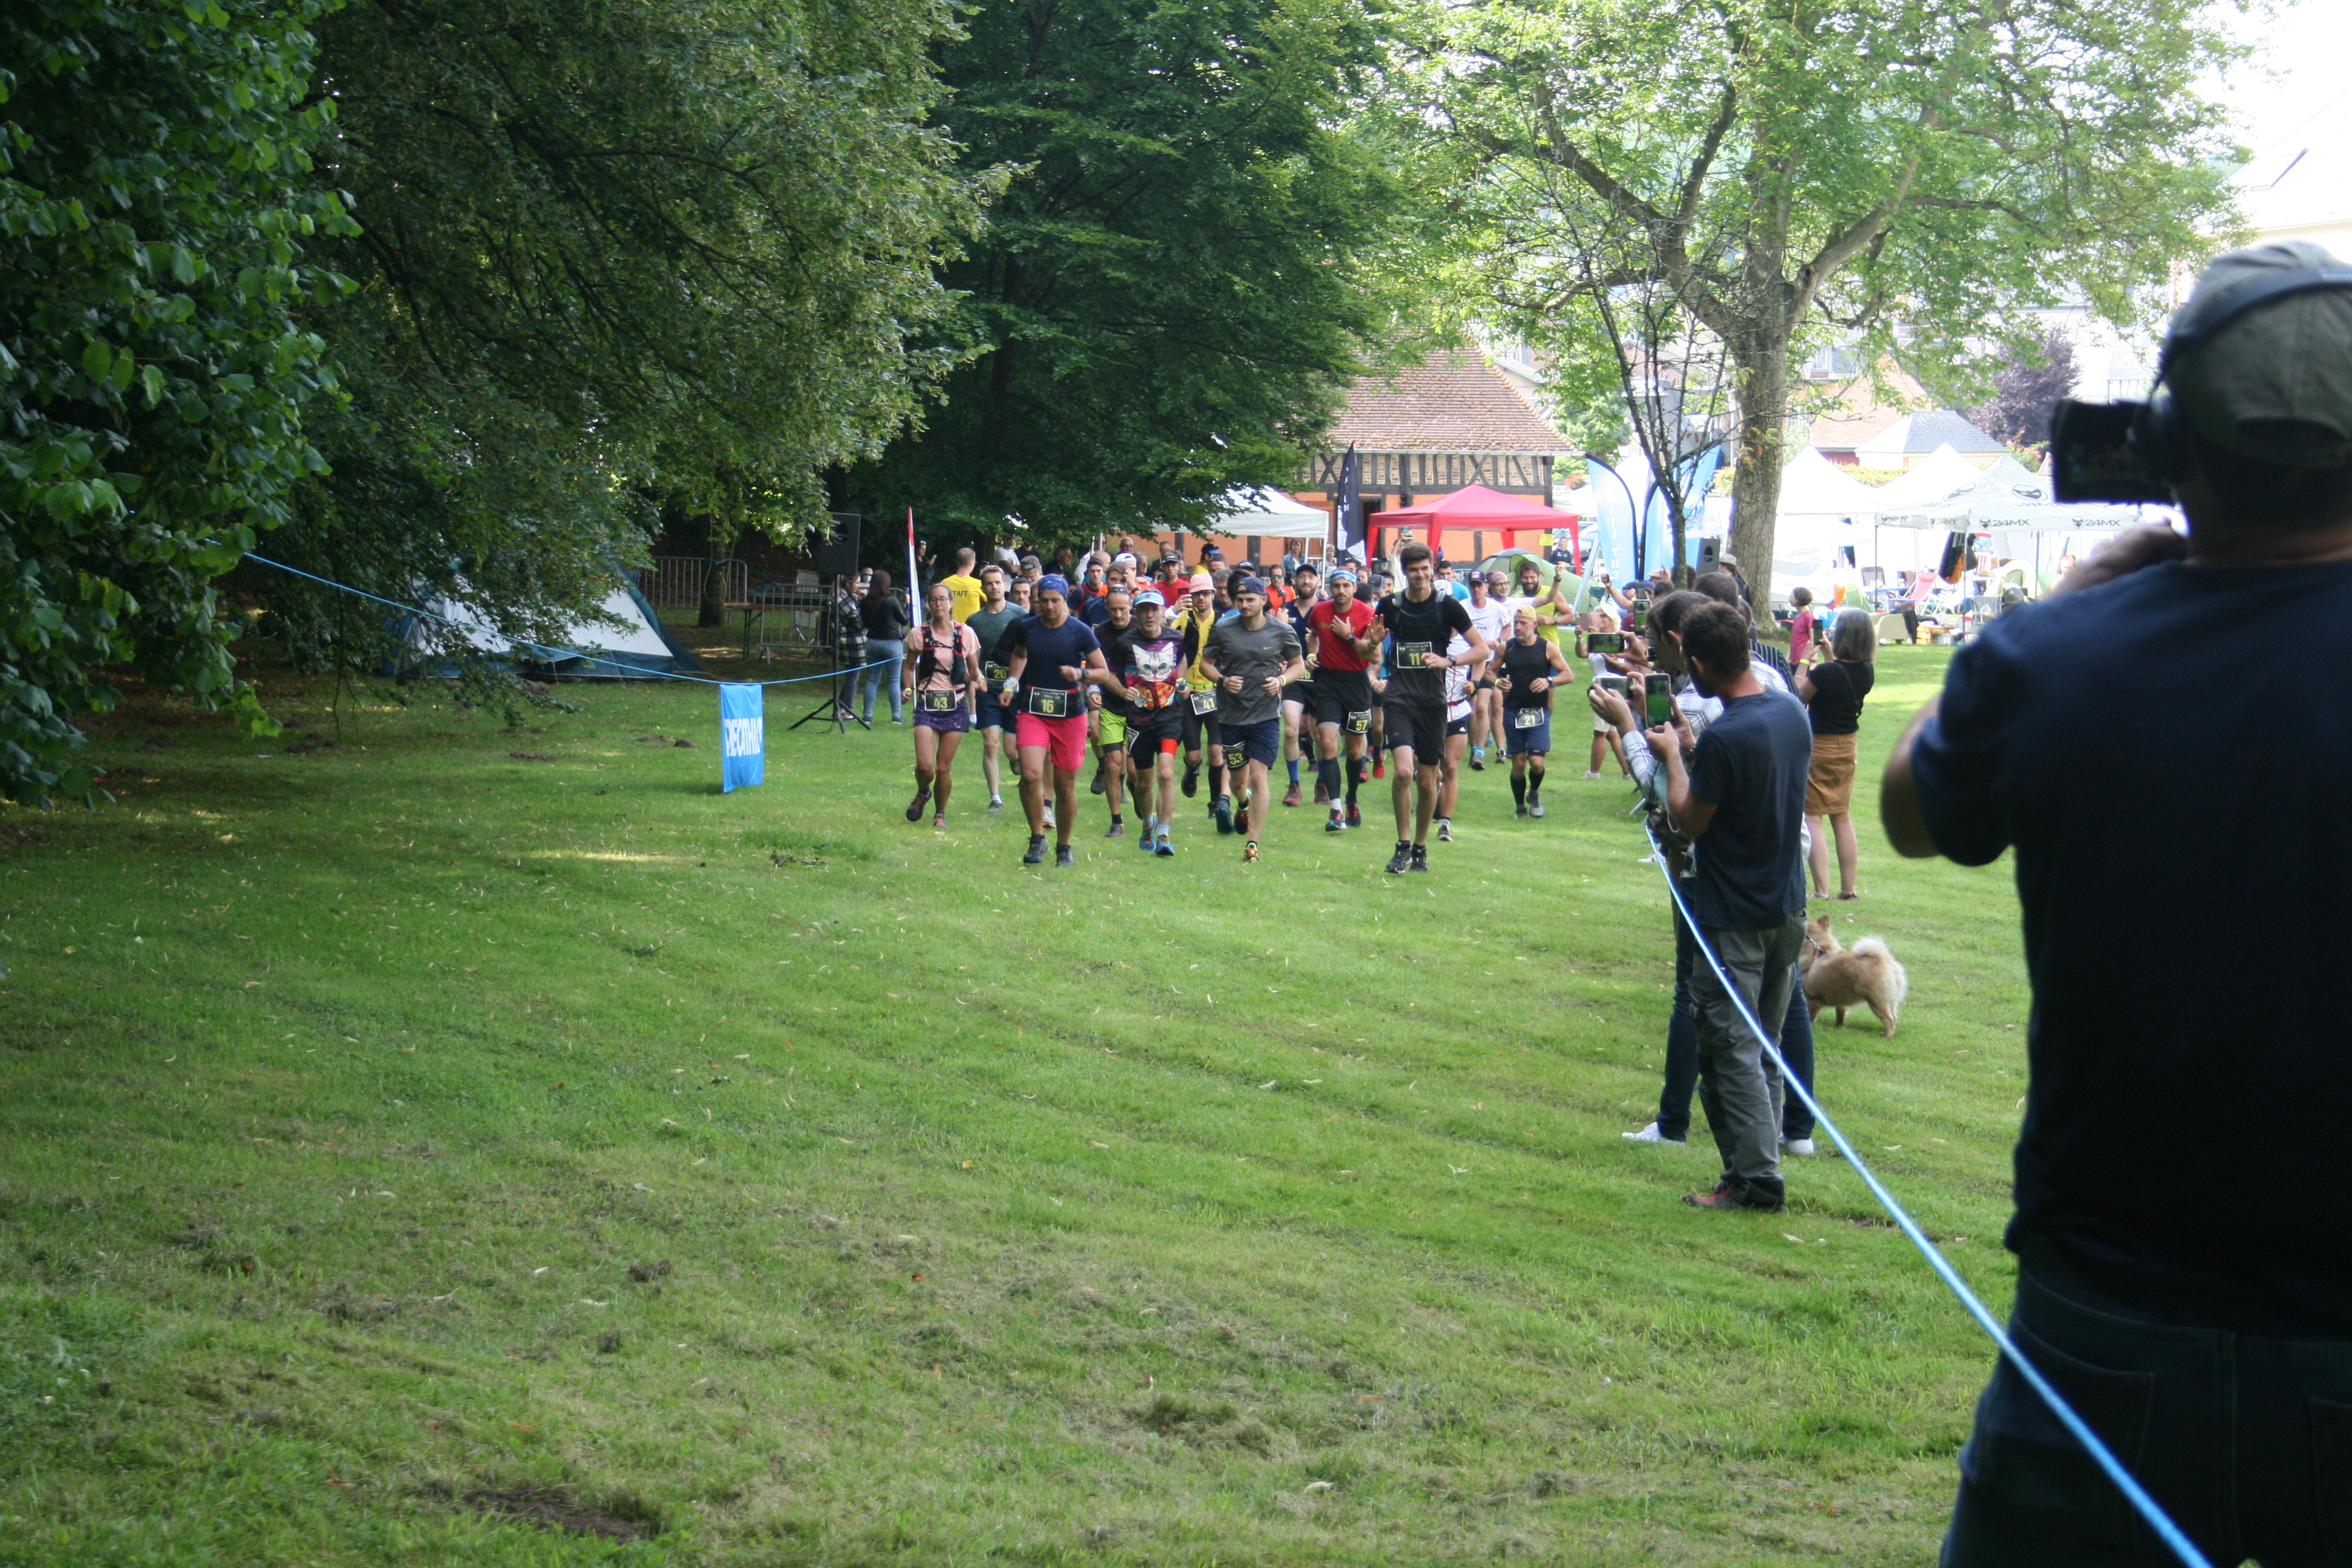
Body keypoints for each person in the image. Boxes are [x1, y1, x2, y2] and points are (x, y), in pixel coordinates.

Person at [1880, 241, 2352, 1566]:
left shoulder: (2050, 659)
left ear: (2163, 440)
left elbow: (1913, 815)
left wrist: (2062, 608)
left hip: (2106, 1335)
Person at [1641, 599, 1812, 1212]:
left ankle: (1756, 1181)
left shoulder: (1728, 736)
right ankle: (1751, 1169)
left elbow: (1690, 821)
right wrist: (1691, 746)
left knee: (1729, 1047)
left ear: (1698, 663)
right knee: (1762, 1043)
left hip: (1735, 917)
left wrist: (1670, 756)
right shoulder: (1790, 713)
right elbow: (1745, 786)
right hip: (1786, 909)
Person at [1361, 542, 1485, 874]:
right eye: (1413, 570)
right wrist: (1373, 641)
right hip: (1399, 699)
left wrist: (1449, 660)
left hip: (1432, 702)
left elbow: (1482, 649)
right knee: (1404, 771)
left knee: (1428, 780)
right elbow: (1366, 652)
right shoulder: (1390, 605)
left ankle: (1420, 847)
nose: (1420, 575)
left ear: (1432, 569)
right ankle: (1402, 845)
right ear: (1405, 572)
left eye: (1424, 569)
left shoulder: (1447, 607)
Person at [1000, 575, 1109, 867]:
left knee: (1064, 785)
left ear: (1065, 601)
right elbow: (1020, 655)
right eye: (1044, 601)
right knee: (1030, 774)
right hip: (1033, 710)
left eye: (1055, 601)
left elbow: (1103, 671)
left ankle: (1064, 846)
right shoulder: (1027, 628)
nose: (1049, 606)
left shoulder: (1079, 631)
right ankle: (1037, 838)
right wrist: (1011, 683)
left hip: (1069, 715)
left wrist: (1081, 674)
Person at [1200, 578, 1305, 863]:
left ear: (1263, 600)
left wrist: (1281, 680)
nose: (1244, 604)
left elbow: (1298, 665)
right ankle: (1243, 803)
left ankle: (1252, 844)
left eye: (1250, 599)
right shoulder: (1224, 629)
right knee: (1238, 782)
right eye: (1240, 599)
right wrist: (1223, 680)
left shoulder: (1282, 631)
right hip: (1232, 716)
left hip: (1266, 716)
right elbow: (1205, 664)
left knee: (1258, 776)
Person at [1798, 607, 1876, 900]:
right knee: (1841, 816)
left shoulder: (1825, 673)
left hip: (1820, 747)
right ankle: (1848, 889)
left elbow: (1797, 696)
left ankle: (1821, 890)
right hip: (1848, 746)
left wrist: (1805, 660)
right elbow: (1840, 681)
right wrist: (1829, 656)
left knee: (1813, 816)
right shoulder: (1867, 671)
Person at [1112, 589, 1187, 856]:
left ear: (1162, 612)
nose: (1149, 615)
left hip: (1169, 716)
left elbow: (1181, 660)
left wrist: (1182, 682)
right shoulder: (1125, 642)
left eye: (1154, 610)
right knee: (1143, 782)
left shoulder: (1175, 638)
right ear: (1137, 613)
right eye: (1144, 610)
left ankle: (1164, 834)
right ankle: (1148, 824)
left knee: (1166, 773)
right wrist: (1123, 690)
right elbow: (1112, 672)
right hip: (1138, 720)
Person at [901, 583, 981, 827]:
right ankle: (923, 790)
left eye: (943, 599)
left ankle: (940, 814)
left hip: (955, 705)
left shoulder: (965, 633)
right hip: (927, 703)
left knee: (943, 768)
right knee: (925, 766)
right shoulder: (919, 634)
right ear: (928, 604)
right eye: (934, 600)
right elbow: (909, 666)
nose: (938, 604)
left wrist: (977, 679)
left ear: (951, 603)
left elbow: (974, 668)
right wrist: (907, 688)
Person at [1305, 566, 1376, 832]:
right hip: (1327, 681)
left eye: (1346, 586)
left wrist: (1348, 635)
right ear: (1330, 588)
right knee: (1327, 743)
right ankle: (1335, 810)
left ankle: (1351, 799)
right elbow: (1313, 636)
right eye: (1336, 586)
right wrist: (1311, 655)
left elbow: (1373, 654)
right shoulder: (1320, 611)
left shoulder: (1367, 614)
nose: (1341, 591)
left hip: (1356, 683)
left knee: (1355, 751)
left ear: (1355, 588)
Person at [1495, 607, 1569, 817]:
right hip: (1513, 711)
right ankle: (1520, 806)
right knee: (1518, 764)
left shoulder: (1547, 648)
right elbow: (1490, 672)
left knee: (1536, 763)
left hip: (1538, 711)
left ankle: (1534, 793)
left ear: (1534, 625)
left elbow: (1567, 674)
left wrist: (1549, 680)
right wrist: (1499, 682)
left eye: (1523, 623)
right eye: (1516, 623)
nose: (1518, 627)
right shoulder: (1506, 648)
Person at [967, 565, 1024, 814]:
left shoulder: (1019, 615)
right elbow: (971, 656)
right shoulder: (975, 620)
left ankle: (1015, 761)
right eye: (989, 583)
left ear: (1005, 585)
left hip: (1015, 690)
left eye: (998, 582)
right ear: (983, 588)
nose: (995, 587)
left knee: (1012, 749)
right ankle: (995, 798)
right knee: (991, 743)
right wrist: (974, 677)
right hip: (988, 688)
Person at [1086, 588, 1139, 840]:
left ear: (1131, 607)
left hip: (1140, 708)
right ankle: (1117, 821)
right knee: (1112, 764)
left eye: (1123, 609)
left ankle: (1141, 801)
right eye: (1114, 609)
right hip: (1110, 707)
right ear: (1106, 608)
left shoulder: (1143, 629)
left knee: (1136, 773)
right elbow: (1091, 668)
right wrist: (1093, 690)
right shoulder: (1098, 634)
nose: (1118, 614)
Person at [1463, 571, 1511, 771]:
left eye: (1479, 585)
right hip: (1465, 662)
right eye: (1473, 585)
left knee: (1482, 707)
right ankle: (1474, 747)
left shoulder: (1497, 608)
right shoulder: (1463, 607)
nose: (1476, 589)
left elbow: (1507, 626)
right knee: (1471, 711)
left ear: (1486, 587)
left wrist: (1499, 641)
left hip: (1487, 663)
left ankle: (1479, 753)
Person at [856, 569, 911, 724]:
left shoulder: (865, 602)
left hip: (873, 642)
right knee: (894, 680)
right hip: (892, 643)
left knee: (872, 680)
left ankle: (867, 715)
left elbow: (865, 624)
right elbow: (904, 620)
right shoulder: (891, 600)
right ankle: (896, 716)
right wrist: (907, 605)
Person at [830, 573, 869, 723]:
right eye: (857, 583)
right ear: (848, 584)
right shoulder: (844, 600)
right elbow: (859, 622)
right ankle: (846, 709)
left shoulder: (848, 598)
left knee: (852, 676)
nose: (859, 586)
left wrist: (862, 601)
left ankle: (840, 708)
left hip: (852, 641)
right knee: (853, 677)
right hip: (852, 642)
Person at [940, 547, 985, 624]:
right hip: (971, 627)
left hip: (950, 626)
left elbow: (929, 605)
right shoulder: (978, 584)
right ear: (971, 563)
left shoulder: (945, 583)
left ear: (957, 563)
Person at [1786, 584, 1818, 666]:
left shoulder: (1808, 616)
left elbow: (1816, 638)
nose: (1789, 599)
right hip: (1794, 660)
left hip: (1804, 661)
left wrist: (1813, 659)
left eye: (1791, 597)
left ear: (1799, 598)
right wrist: (1787, 658)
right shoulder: (1796, 618)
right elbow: (1794, 640)